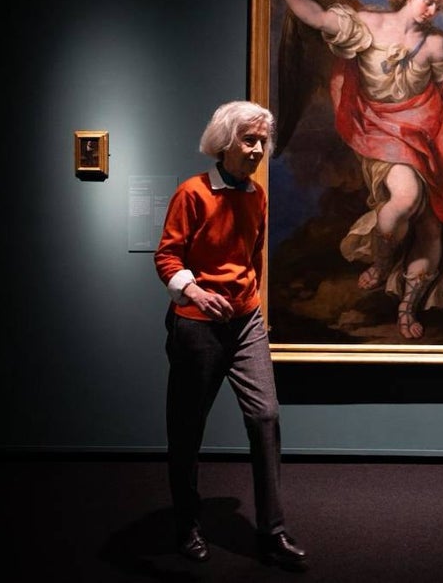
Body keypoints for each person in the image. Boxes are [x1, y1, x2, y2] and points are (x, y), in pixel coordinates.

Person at [275, 0, 443, 341]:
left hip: (433, 135)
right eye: (428, 0)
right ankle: (383, 262)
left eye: (439, 4)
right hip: (379, 129)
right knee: (406, 198)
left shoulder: (436, 45)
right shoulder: (367, 24)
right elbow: (316, 17)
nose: (433, 10)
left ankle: (407, 307)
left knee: (431, 224)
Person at [154, 100, 308, 572]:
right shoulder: (193, 193)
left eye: (263, 140)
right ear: (224, 142)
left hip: (246, 325)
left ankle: (272, 531)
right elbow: (167, 258)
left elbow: (252, 258)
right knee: (187, 429)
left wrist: (253, 305)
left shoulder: (256, 195)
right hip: (197, 328)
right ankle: (186, 525)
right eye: (249, 140)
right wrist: (196, 293)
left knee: (265, 418)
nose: (259, 149)